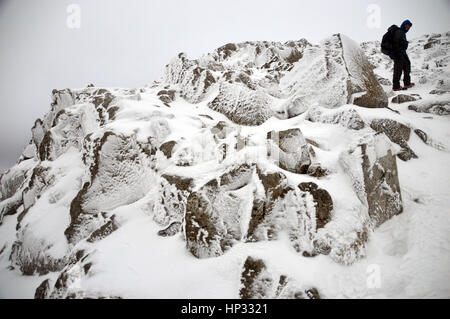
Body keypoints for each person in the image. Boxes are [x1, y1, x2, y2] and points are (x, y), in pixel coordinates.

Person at [389, 19, 415, 91]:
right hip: (398, 53)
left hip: (403, 53)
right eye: (406, 25)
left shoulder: (403, 33)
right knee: (398, 69)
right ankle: (396, 86)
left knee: (407, 66)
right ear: (403, 25)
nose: (408, 27)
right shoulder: (399, 31)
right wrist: (396, 52)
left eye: (409, 26)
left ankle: (407, 83)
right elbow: (395, 42)